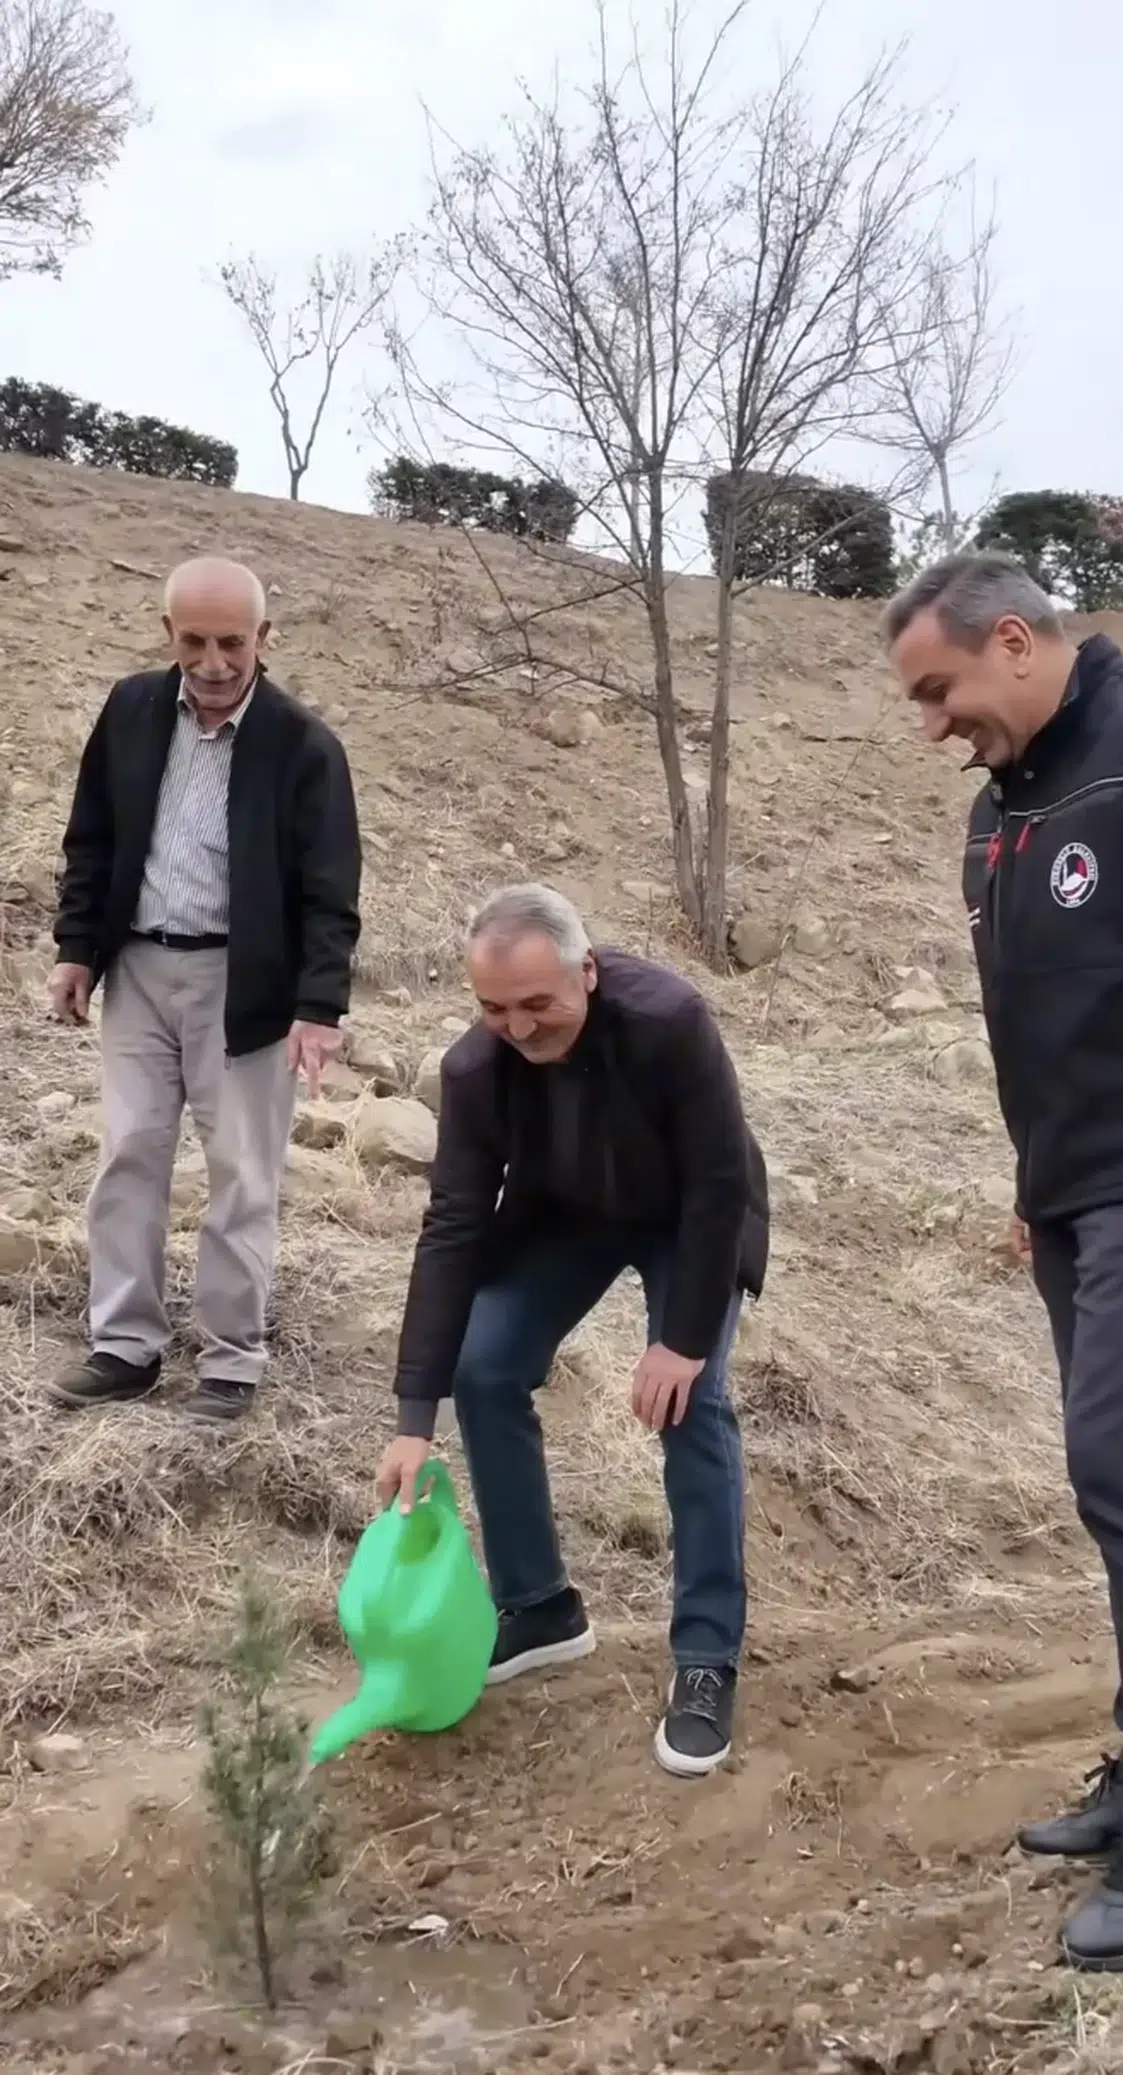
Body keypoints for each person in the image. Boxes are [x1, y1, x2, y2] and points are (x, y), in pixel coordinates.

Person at [882, 549, 1123, 1971]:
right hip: (1074, 1189)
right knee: (1112, 1475)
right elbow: (1044, 1009)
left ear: (1013, 641)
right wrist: (1030, 1180)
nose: (932, 722)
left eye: (941, 689)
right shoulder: (1008, 805)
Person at [375, 883, 769, 1778]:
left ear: (587, 972)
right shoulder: (476, 1070)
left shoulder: (670, 1021)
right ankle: (540, 1607)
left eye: (537, 1004)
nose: (516, 1027)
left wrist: (681, 1340)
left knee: (691, 1403)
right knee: (484, 1366)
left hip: (688, 1217)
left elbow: (716, 1182)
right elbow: (454, 1228)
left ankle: (706, 1657)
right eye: (493, 1008)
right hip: (569, 1214)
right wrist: (411, 1415)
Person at [47, 556, 362, 1424]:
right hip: (139, 969)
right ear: (168, 636)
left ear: (265, 638)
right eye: (195, 641)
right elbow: (94, 838)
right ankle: (124, 1345)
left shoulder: (304, 746)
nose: (214, 661)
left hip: (246, 982)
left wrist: (318, 1006)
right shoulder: (132, 710)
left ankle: (230, 1358)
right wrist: (78, 950)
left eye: (233, 642)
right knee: (129, 1154)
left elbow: (330, 891)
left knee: (242, 1172)